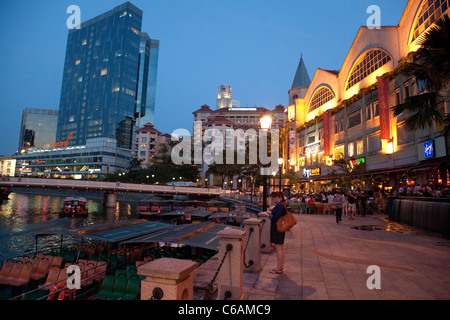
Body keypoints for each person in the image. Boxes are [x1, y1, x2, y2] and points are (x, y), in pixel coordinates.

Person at [268, 191, 287, 274]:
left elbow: (275, 218)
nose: (272, 200)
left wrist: (269, 214)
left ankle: (279, 268)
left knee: (278, 247)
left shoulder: (279, 205)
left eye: (273, 198)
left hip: (277, 228)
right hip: (280, 228)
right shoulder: (282, 204)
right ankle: (280, 267)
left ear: (278, 197)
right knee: (280, 247)